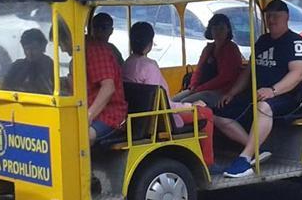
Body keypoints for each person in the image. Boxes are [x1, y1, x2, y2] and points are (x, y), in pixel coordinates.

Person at [212, 0, 302, 178]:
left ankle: (244, 159)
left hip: (287, 97)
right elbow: (249, 72)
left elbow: (297, 74)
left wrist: (272, 90)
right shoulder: (262, 41)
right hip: (257, 94)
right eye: (268, 16)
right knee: (217, 114)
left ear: (286, 17)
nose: (271, 20)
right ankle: (258, 151)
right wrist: (231, 93)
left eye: (276, 16)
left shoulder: (296, 42)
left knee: (263, 107)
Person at [122, 22, 215, 163]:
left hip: (136, 118)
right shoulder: (149, 67)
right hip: (159, 119)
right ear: (150, 43)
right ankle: (208, 162)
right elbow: (158, 102)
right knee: (206, 113)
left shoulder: (127, 64)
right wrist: (190, 105)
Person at [172, 12, 242, 108]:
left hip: (222, 91)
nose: (218, 32)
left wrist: (200, 89)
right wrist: (193, 86)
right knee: (171, 101)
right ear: (210, 30)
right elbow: (198, 70)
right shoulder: (209, 48)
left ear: (228, 30)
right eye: (214, 28)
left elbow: (224, 77)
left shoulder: (231, 49)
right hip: (201, 88)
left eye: (221, 28)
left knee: (185, 103)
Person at [85, 15, 127, 144]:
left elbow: (110, 86)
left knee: (79, 136)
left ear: (111, 30)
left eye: (103, 28)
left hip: (111, 112)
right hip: (92, 104)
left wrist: (89, 115)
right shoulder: (85, 49)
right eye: (96, 27)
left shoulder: (103, 51)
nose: (99, 31)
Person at [2, 28, 54, 95]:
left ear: (43, 47)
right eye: (26, 49)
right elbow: (5, 88)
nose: (30, 53)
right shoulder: (17, 66)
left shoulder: (48, 64)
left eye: (34, 49)